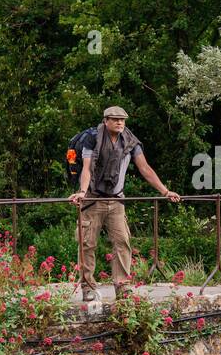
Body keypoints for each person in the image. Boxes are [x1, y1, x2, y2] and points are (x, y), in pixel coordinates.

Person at [69, 106, 180, 302]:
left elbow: (145, 168)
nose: (120, 122)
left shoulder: (130, 141)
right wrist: (82, 192)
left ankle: (122, 287)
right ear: (106, 120)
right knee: (87, 244)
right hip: (92, 198)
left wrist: (165, 191)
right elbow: (86, 169)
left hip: (116, 200)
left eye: (122, 120)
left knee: (122, 242)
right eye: (115, 119)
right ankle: (88, 288)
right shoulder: (92, 139)